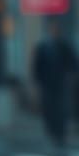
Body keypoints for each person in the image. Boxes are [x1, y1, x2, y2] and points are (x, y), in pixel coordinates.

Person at [32, 17, 78, 148]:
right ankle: (51, 133)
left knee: (61, 110)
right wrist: (37, 83)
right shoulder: (43, 46)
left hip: (61, 84)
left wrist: (70, 78)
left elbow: (73, 64)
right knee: (49, 110)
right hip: (47, 85)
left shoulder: (64, 45)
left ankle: (60, 134)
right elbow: (37, 67)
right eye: (52, 27)